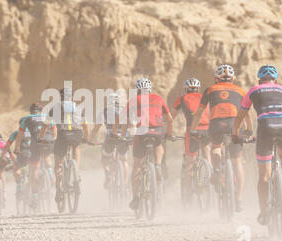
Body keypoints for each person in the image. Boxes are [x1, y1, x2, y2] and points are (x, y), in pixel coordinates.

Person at [232, 65, 282, 225]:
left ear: (259, 80)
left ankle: (264, 212)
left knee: (264, 176)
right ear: (276, 80)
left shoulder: (254, 90)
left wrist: (235, 134)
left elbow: (241, 115)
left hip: (265, 130)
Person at [190, 65, 252, 212]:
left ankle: (217, 169)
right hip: (234, 125)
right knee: (237, 163)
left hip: (216, 125)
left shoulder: (210, 89)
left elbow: (199, 113)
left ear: (216, 79)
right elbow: (246, 114)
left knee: (216, 148)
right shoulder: (241, 91)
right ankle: (238, 200)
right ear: (233, 78)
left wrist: (193, 130)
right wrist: (249, 130)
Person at [112, 78, 174, 211]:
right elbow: (170, 119)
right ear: (150, 89)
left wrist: (117, 134)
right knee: (159, 146)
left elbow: (121, 118)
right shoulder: (159, 98)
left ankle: (135, 199)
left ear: (138, 90)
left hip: (142, 133)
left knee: (137, 167)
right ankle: (157, 166)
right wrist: (169, 134)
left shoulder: (135, 99)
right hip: (157, 132)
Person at [39, 87, 89, 203]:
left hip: (62, 134)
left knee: (58, 165)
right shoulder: (79, 107)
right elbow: (85, 125)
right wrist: (86, 137)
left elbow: (45, 125)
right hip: (77, 133)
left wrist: (41, 137)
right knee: (76, 147)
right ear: (72, 97)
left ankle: (59, 189)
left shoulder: (55, 107)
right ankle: (77, 171)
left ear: (60, 97)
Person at [171, 78, 211, 200]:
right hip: (207, 129)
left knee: (189, 162)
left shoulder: (182, 99)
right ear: (198, 89)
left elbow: (171, 116)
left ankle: (187, 193)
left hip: (191, 130)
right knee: (207, 153)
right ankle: (210, 178)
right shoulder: (206, 98)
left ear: (186, 89)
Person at [13, 103, 56, 210]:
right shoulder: (48, 117)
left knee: (34, 171)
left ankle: (35, 197)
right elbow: (55, 131)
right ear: (40, 111)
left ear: (31, 111)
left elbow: (19, 136)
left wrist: (17, 148)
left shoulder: (26, 119)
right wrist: (54, 140)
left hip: (35, 145)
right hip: (49, 142)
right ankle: (50, 173)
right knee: (46, 154)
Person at [89, 93, 130, 189]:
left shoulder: (104, 112)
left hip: (110, 136)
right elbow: (131, 125)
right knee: (124, 160)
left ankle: (107, 172)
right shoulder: (125, 110)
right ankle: (125, 183)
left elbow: (96, 128)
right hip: (124, 135)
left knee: (105, 156)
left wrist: (90, 140)